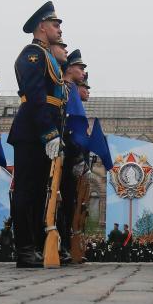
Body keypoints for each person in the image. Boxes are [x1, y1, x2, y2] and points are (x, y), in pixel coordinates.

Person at [8, 1, 67, 268]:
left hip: (41, 132)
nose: (59, 29)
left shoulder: (47, 56)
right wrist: (49, 132)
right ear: (41, 27)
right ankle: (24, 248)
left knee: (38, 193)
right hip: (32, 133)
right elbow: (35, 97)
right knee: (26, 192)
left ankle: (33, 246)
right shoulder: (32, 54)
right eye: (55, 25)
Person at [61, 48, 88, 265]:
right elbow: (68, 128)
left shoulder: (69, 90)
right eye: (80, 67)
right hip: (64, 153)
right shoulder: (65, 90)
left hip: (70, 154)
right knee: (61, 201)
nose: (83, 71)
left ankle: (63, 244)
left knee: (69, 203)